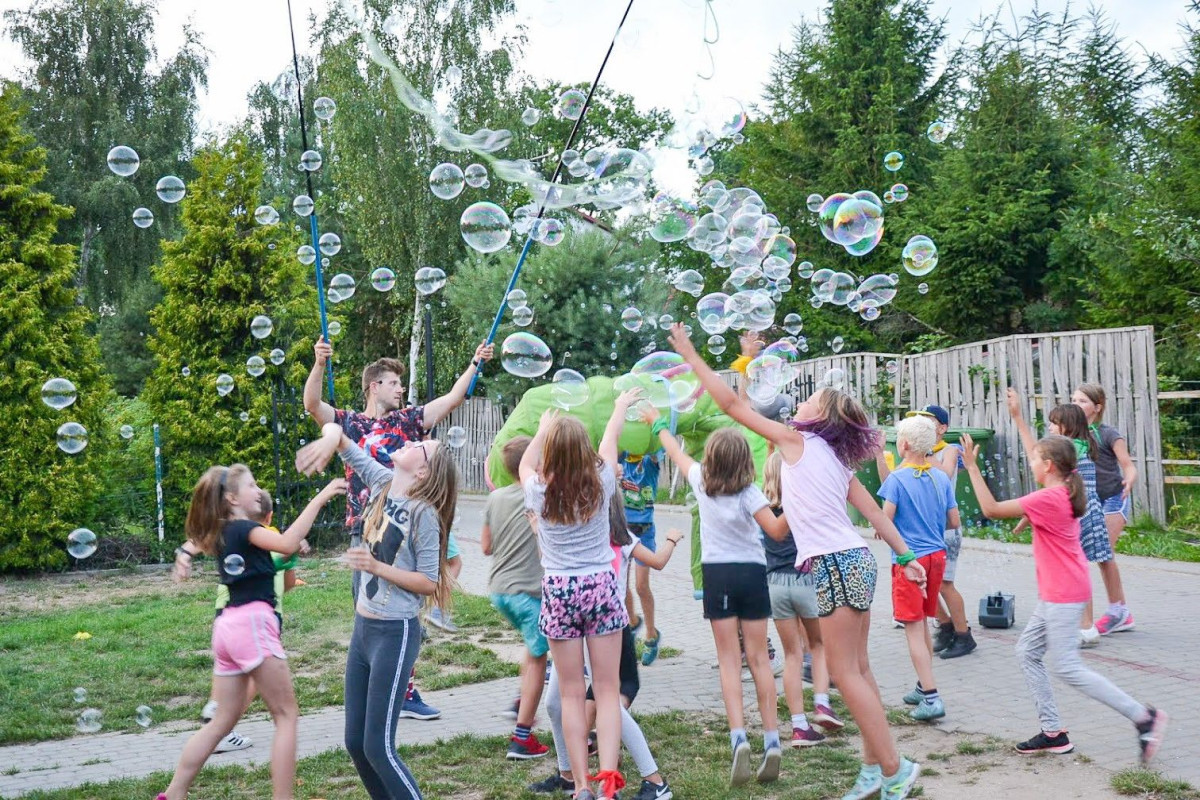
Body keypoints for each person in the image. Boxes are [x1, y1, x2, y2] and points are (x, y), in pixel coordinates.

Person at [665, 322, 926, 800]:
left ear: (820, 416)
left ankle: (894, 768)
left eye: (810, 400)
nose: (800, 402)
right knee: (860, 670)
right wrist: (906, 555)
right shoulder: (833, 458)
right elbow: (871, 514)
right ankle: (872, 771)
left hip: (833, 565)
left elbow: (731, 406)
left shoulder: (796, 442)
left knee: (845, 675)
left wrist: (691, 354)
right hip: (855, 562)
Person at [304, 335, 492, 719]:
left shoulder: (408, 421)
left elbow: (454, 398)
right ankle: (383, 688)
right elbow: (312, 406)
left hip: (410, 526)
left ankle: (402, 686)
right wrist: (320, 363)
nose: (400, 388)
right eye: (393, 382)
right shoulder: (349, 423)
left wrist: (476, 362)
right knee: (369, 609)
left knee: (407, 608)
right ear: (374, 386)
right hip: (366, 525)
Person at [959, 432, 1168, 763]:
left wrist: (971, 466)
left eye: (1033, 460)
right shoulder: (1063, 489)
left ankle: (1144, 717)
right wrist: (1030, 518)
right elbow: (1046, 508)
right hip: (1062, 590)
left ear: (1049, 465)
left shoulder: (1050, 496)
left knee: (1067, 667)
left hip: (1064, 594)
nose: (1030, 464)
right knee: (1027, 651)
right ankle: (1054, 733)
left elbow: (991, 508)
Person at [157, 466, 344, 800]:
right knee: (286, 715)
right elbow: (286, 541)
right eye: (251, 485)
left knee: (221, 721)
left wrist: (184, 554)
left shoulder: (225, 530)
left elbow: (202, 541)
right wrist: (319, 498)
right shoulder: (244, 528)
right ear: (232, 498)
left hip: (227, 626)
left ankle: (174, 793)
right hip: (254, 623)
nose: (259, 489)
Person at [297, 421, 458, 800]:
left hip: (395, 633)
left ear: (422, 471)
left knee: (379, 748)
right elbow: (339, 435)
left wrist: (376, 567)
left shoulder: (424, 513)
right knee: (356, 743)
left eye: (422, 446)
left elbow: (429, 581)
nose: (413, 442)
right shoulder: (384, 482)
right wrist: (328, 437)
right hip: (363, 631)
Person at [645, 400, 789, 787]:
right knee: (759, 659)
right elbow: (776, 532)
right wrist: (795, 501)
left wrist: (656, 421)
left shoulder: (699, 481)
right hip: (752, 574)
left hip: (717, 576)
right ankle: (772, 740)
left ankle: (738, 737)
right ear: (745, 462)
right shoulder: (751, 493)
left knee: (729, 660)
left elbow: (674, 451)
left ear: (710, 459)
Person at [519, 394, 641, 800]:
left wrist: (540, 431)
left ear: (550, 454)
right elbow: (611, 438)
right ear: (586, 452)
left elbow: (523, 464)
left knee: (572, 691)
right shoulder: (603, 481)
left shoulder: (538, 490)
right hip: (600, 588)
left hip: (559, 591)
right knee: (607, 690)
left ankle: (582, 786)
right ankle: (609, 784)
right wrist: (620, 406)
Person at [536, 494, 681, 800]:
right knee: (556, 703)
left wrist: (671, 538)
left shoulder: (620, 536)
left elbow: (657, 562)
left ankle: (653, 781)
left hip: (610, 631)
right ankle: (570, 776)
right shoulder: (576, 531)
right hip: (577, 626)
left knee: (608, 708)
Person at [1008, 392, 1125, 647]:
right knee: (1078, 566)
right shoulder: (1083, 443)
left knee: (1075, 568)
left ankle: (1085, 627)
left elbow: (1035, 456)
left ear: (1067, 427)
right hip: (1084, 510)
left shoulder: (1071, 448)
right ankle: (1085, 626)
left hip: (1079, 514)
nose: (1049, 427)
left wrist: (1018, 418)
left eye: (1053, 423)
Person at [198, 491, 309, 754]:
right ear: (269, 516)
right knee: (255, 682)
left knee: (231, 669)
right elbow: (288, 583)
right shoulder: (268, 540)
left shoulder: (234, 536)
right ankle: (223, 723)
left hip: (227, 611)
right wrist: (291, 556)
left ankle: (217, 712)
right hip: (261, 617)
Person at [879, 417, 959, 722]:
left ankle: (932, 697)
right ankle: (922, 685)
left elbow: (885, 521)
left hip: (909, 561)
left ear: (904, 445)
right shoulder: (940, 478)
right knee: (924, 622)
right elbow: (954, 521)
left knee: (912, 628)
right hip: (937, 556)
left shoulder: (897, 480)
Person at [878, 404, 975, 659]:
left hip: (944, 531)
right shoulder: (913, 459)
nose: (924, 425)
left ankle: (964, 635)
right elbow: (892, 482)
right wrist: (881, 457)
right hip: (928, 534)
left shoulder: (950, 451)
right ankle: (945, 627)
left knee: (945, 584)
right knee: (932, 585)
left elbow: (945, 472)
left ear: (942, 428)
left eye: (928, 422)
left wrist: (925, 451)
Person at [760, 450, 843, 746]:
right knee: (819, 646)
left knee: (792, 655)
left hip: (775, 585)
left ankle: (798, 726)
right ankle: (822, 703)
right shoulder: (805, 504)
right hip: (806, 580)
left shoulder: (764, 510)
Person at [481, 435, 551, 760]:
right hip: (528, 593)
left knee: (532, 645)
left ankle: (520, 702)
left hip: (499, 591)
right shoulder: (537, 495)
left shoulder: (495, 499)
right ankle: (522, 738)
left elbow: (486, 547)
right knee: (540, 659)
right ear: (534, 464)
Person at [1072, 384, 1137, 636]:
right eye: (1073, 400)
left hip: (1113, 498)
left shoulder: (1108, 434)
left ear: (1097, 407)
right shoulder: (1072, 434)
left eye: (1082, 401)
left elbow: (1128, 465)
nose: (1076, 404)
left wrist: (1130, 478)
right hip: (1089, 502)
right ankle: (1088, 616)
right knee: (1090, 555)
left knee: (1102, 553)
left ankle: (1118, 612)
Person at [619, 447, 664, 666]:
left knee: (641, 586)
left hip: (644, 529)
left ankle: (651, 635)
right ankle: (633, 621)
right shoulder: (621, 458)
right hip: (622, 529)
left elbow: (656, 452)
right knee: (622, 584)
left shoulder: (650, 460)